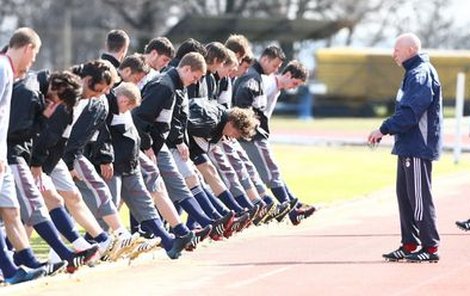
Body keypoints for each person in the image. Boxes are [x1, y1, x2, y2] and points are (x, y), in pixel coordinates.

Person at [368, 33, 442, 263]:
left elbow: (410, 112)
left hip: (417, 146)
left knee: (419, 197)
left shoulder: (420, 74)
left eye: (396, 49)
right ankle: (410, 244)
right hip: (407, 145)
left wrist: (384, 129)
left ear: (410, 50)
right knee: (405, 196)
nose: (393, 54)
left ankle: (430, 248)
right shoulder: (412, 73)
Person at [0, 27, 48, 284]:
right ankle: (9, 270)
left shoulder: (7, 70)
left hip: (3, 156)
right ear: (28, 47)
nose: (33, 62)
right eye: (34, 54)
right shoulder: (2, 69)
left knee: (11, 209)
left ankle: (26, 259)